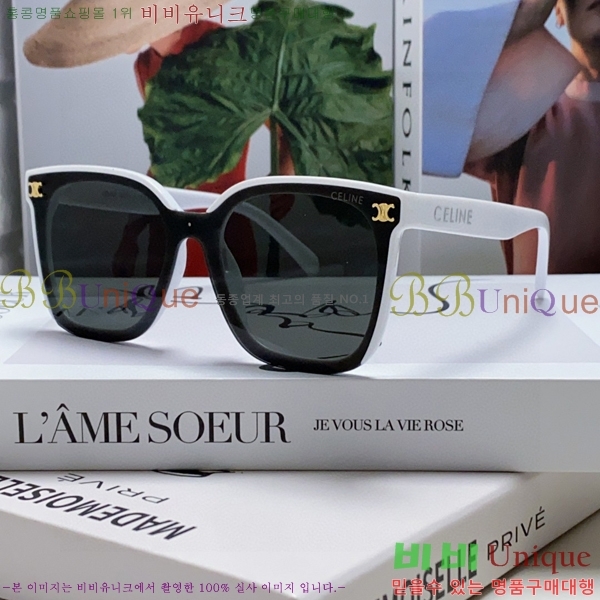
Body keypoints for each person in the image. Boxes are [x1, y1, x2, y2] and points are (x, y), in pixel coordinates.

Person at [427, 0, 600, 275]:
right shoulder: (523, 113)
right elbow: (413, 110)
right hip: (544, 303)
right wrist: (523, 18)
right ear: (556, 10)